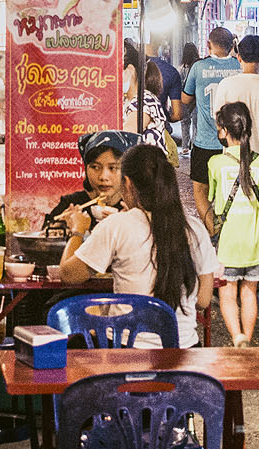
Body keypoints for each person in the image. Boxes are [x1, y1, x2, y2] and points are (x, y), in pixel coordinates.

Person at [59, 144, 218, 348]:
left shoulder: (117, 225)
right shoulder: (195, 228)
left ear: (127, 183)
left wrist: (77, 230)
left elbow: (68, 274)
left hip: (127, 352)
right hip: (184, 351)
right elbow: (203, 300)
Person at [207, 101, 259, 347]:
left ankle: (237, 336)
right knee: (249, 293)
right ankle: (248, 339)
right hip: (257, 241)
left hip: (229, 242)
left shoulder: (215, 164)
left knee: (228, 294)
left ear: (224, 131)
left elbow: (213, 200)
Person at [181, 28, 242, 231]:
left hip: (205, 142)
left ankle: (213, 230)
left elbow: (185, 98)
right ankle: (232, 229)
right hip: (235, 143)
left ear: (208, 44)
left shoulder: (198, 67)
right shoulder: (239, 66)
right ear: (232, 45)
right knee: (235, 189)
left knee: (200, 189)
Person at [42, 130, 140, 228]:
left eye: (113, 168)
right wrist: (59, 229)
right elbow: (42, 237)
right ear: (86, 168)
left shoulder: (135, 207)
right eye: (95, 167)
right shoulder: (71, 203)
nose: (103, 177)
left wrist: (132, 226)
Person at [125, 60, 172, 154]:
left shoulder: (145, 100)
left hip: (146, 166)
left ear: (130, 70)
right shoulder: (125, 100)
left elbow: (126, 133)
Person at [178, 42, 200, 154]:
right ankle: (194, 146)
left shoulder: (182, 68)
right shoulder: (198, 66)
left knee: (185, 122)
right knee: (196, 123)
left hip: (185, 98)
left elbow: (180, 84)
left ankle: (185, 146)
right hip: (196, 99)